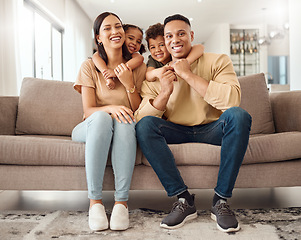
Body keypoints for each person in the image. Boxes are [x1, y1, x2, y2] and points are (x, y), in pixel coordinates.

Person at [135, 14, 252, 233]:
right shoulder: (158, 74)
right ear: (165, 41)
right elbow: (142, 118)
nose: (175, 40)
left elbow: (231, 100)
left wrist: (188, 75)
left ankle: (221, 202)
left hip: (212, 129)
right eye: (169, 36)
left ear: (191, 36)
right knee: (145, 126)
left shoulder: (217, 60)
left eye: (181, 34)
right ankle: (184, 200)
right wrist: (165, 91)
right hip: (176, 130)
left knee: (239, 115)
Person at [72, 12, 146, 231]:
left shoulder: (137, 66)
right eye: (107, 28)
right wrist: (112, 108)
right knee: (104, 117)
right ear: (98, 38)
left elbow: (137, 109)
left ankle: (121, 203)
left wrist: (128, 83)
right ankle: (95, 203)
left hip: (123, 125)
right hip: (90, 126)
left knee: (126, 120)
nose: (115, 32)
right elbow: (88, 111)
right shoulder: (89, 66)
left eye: (118, 26)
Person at [92, 24, 145, 90]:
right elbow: (95, 56)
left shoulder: (134, 55)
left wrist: (116, 72)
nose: (134, 43)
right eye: (131, 38)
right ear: (121, 37)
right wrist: (108, 77)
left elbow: (140, 58)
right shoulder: (102, 54)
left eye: (138, 42)